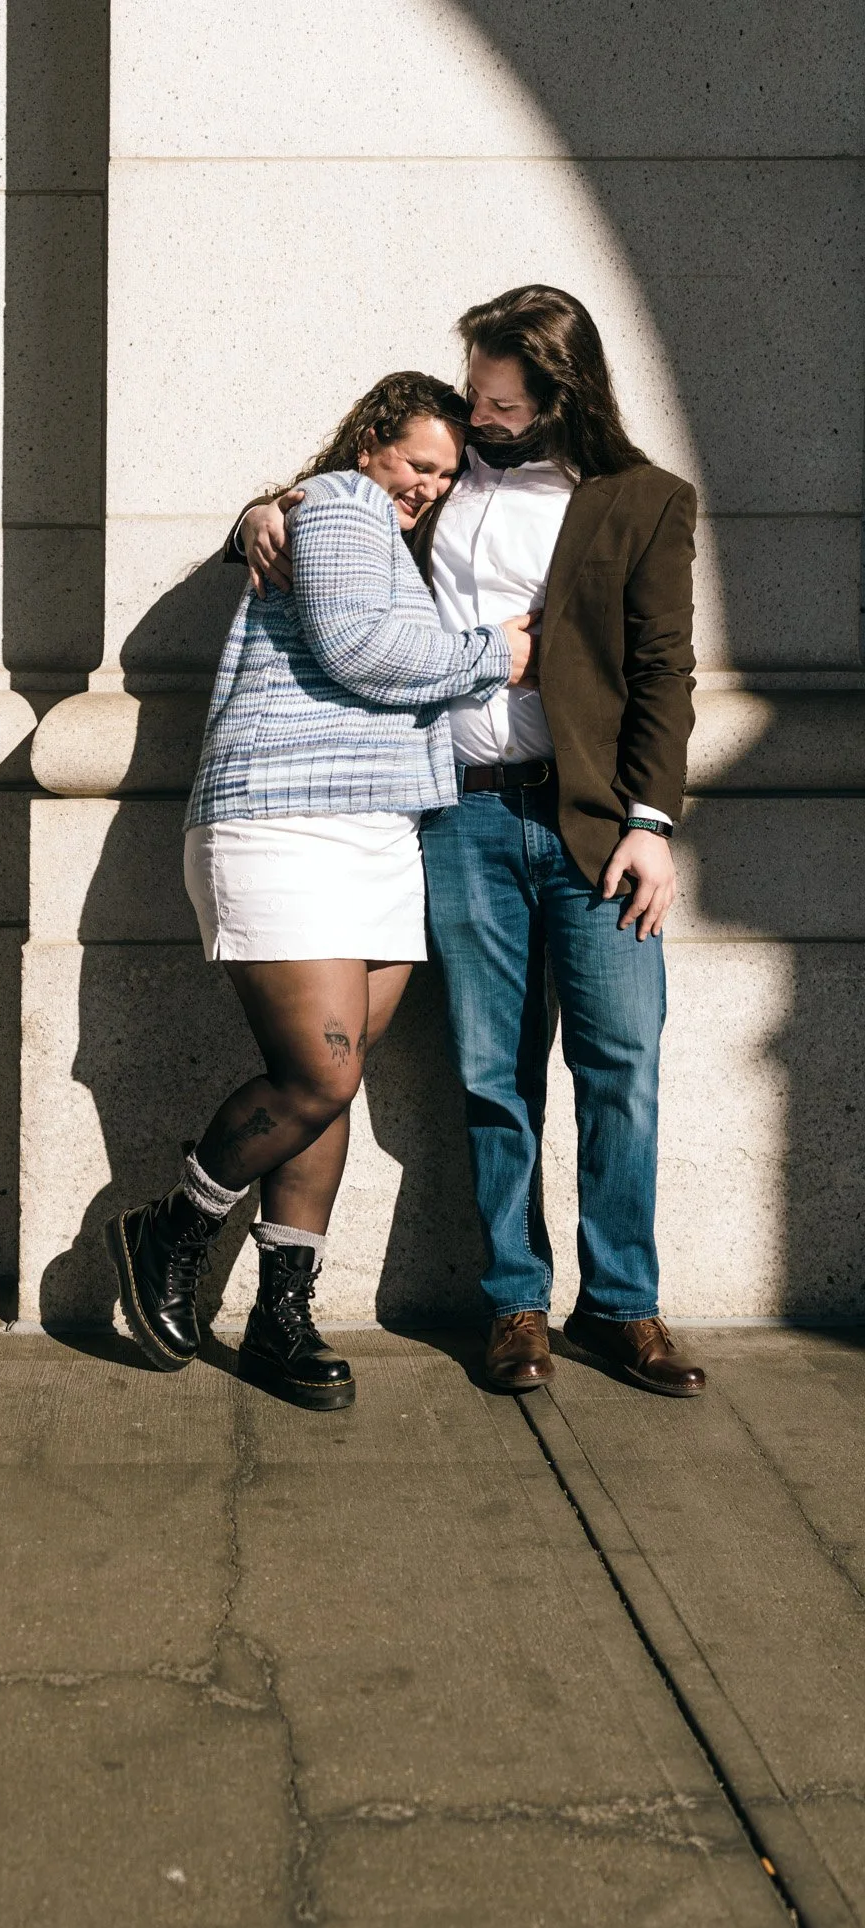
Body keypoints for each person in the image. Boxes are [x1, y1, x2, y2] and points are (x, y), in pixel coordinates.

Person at [239, 286, 706, 1398]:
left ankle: (624, 1305)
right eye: (477, 397)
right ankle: (514, 1304)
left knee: (620, 1067)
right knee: (493, 1074)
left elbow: (663, 673)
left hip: (593, 826)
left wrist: (650, 823)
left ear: (560, 393)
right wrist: (264, 509)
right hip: (460, 812)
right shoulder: (439, 481)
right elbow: (345, 493)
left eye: (502, 402)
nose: (482, 418)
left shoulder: (643, 500)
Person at [105, 373, 537, 1408]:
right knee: (321, 1077)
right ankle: (175, 1225)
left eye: (444, 473)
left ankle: (278, 1316)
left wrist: (257, 513)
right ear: (370, 440)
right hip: (287, 821)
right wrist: (496, 655)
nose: (428, 486)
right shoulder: (342, 501)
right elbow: (359, 650)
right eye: (416, 463)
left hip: (375, 831)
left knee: (323, 1086)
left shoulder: (358, 523)